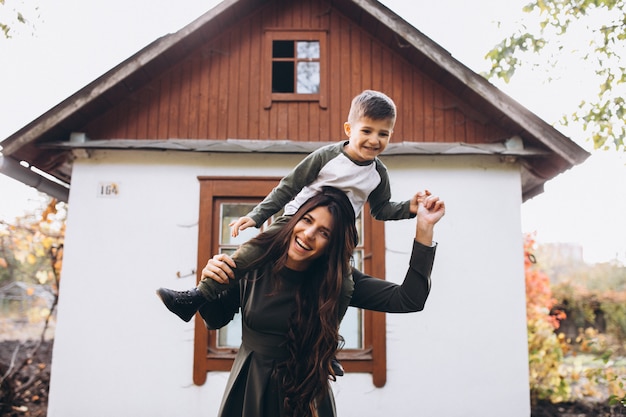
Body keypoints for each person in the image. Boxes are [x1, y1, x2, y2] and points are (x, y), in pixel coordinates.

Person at [156, 90, 420, 373]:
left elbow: (381, 210)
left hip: (336, 240)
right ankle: (196, 297)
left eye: (384, 134)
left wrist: (411, 208)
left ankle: (326, 346)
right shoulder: (328, 157)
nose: (374, 140)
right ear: (349, 129)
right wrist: (257, 216)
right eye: (367, 130)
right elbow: (288, 186)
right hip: (294, 219)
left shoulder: (378, 174)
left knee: (343, 287)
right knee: (248, 255)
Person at [196, 186, 445, 417]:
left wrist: (424, 229)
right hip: (249, 387)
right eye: (307, 220)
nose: (309, 234)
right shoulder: (255, 262)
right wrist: (208, 280)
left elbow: (409, 299)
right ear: (295, 219)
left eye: (324, 232)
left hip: (306, 396)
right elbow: (215, 318)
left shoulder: (338, 282)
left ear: (332, 244)